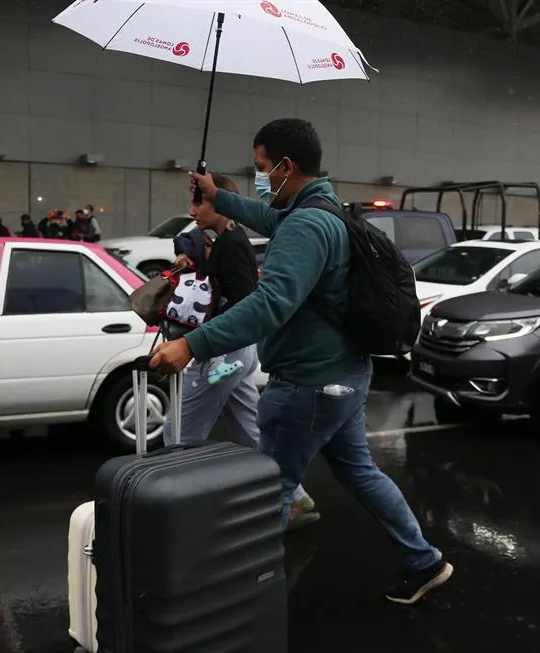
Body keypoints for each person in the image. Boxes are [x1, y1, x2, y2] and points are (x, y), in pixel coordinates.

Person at [149, 118, 452, 604]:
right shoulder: (321, 208)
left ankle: (240, 607)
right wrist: (219, 198)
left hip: (310, 385)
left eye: (262, 168)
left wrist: (191, 345)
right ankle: (425, 560)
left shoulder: (307, 224)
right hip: (345, 376)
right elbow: (270, 220)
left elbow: (270, 304)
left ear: (286, 167)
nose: (260, 178)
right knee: (360, 473)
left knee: (271, 493)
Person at [164, 174, 319, 530]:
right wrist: (186, 254)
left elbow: (246, 304)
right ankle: (298, 500)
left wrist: (210, 352)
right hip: (236, 355)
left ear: (219, 201)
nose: (192, 211)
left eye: (199, 203)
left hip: (224, 355)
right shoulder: (224, 238)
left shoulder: (230, 244)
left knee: (177, 436)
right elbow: (184, 238)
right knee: (253, 434)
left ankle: (179, 517)